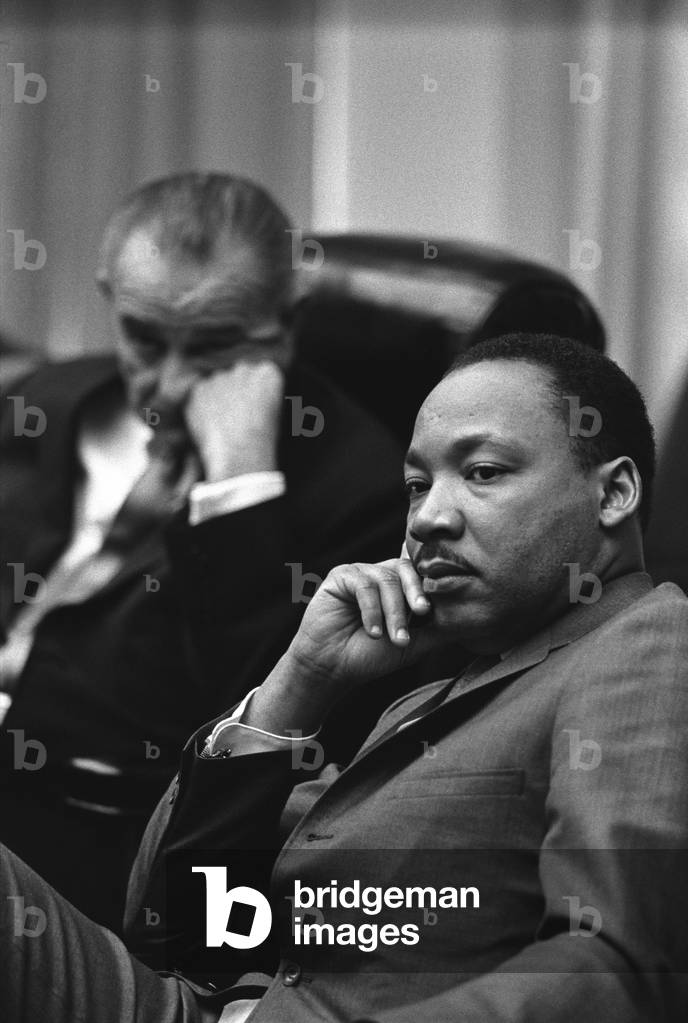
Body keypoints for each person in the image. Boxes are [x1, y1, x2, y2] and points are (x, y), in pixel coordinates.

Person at [1, 333, 686, 1023]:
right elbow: (178, 928)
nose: (428, 518)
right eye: (417, 485)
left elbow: (617, 967)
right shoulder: (430, 693)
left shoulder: (645, 644)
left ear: (615, 492)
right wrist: (299, 681)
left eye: (482, 471)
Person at [0, 173, 407, 931]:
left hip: (108, 855)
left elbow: (267, 731)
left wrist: (242, 489)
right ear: (108, 297)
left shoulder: (365, 489)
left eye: (218, 348)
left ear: (287, 323)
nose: (173, 384)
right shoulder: (43, 403)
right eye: (145, 339)